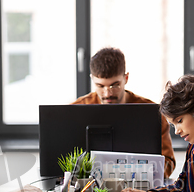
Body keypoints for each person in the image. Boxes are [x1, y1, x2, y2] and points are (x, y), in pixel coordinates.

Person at [72, 47, 176, 178]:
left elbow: (168, 162)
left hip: (140, 189)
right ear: (92, 79)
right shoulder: (76, 110)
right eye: (100, 86)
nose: (107, 93)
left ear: (126, 78)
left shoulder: (151, 112)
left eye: (115, 85)